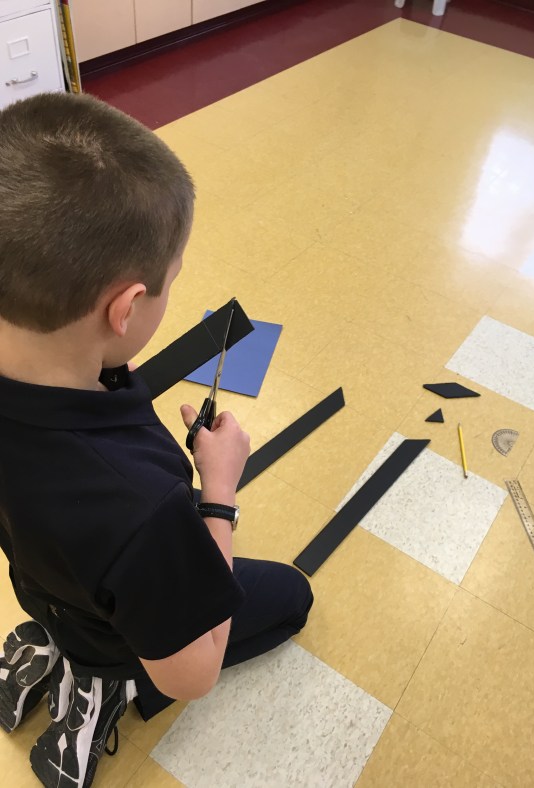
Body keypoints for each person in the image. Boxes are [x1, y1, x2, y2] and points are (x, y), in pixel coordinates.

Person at [0, 92, 313, 788]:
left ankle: (60, 645)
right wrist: (219, 491)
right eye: (168, 285)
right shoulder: (140, 506)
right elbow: (194, 673)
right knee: (292, 597)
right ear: (127, 308)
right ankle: (105, 685)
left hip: (45, 584)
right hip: (120, 629)